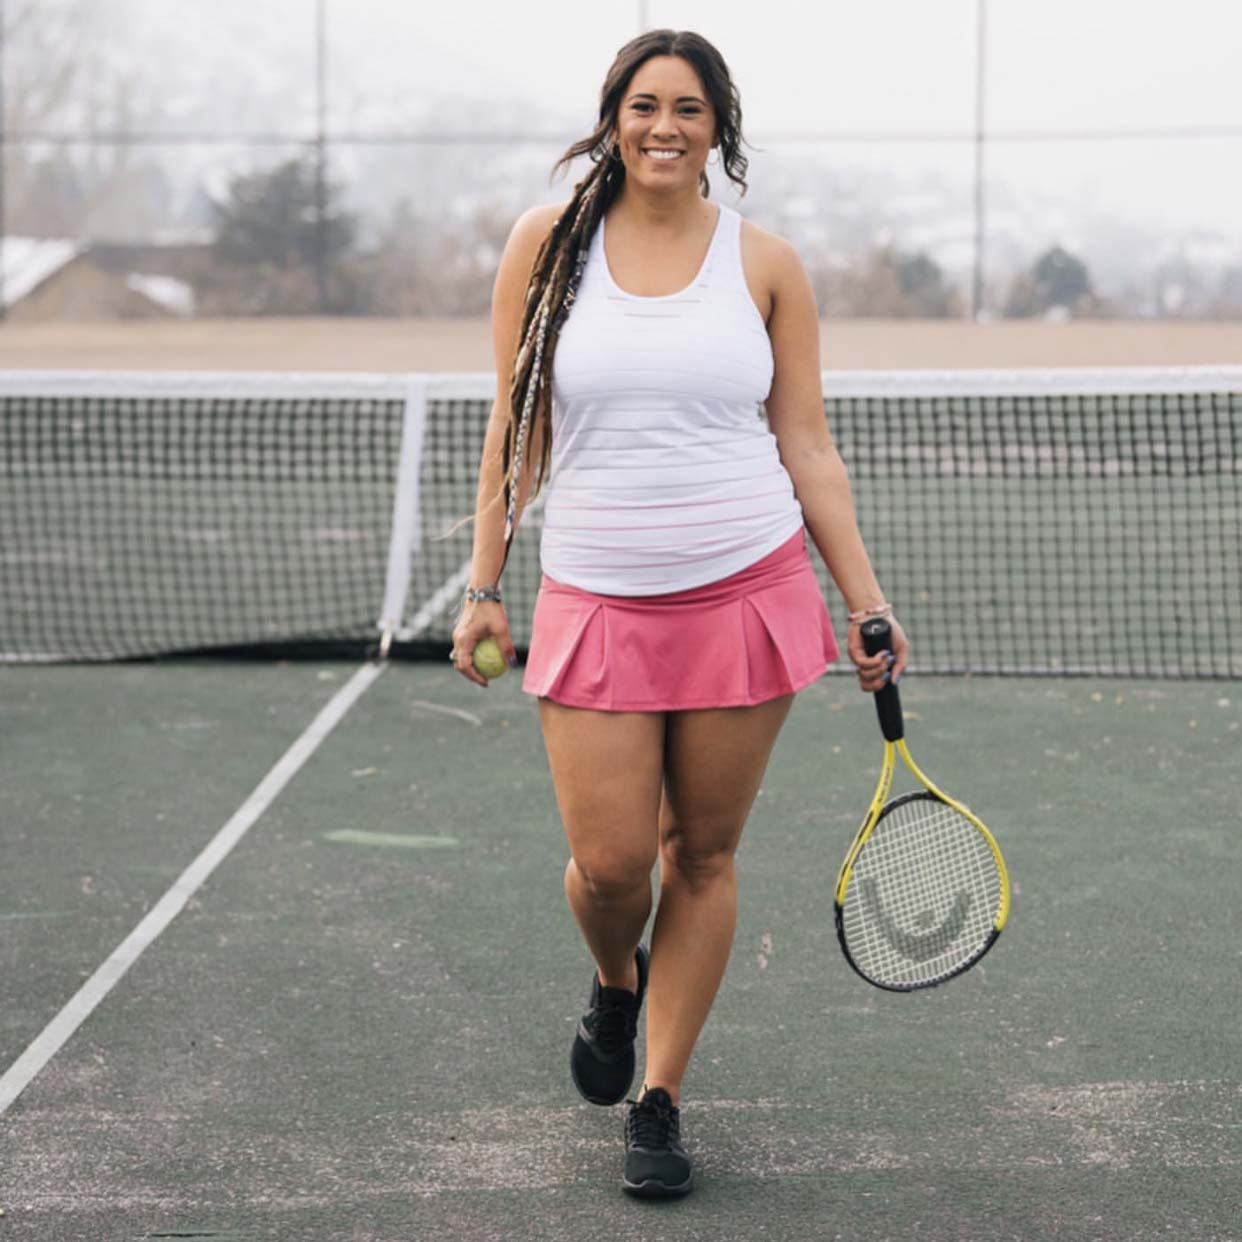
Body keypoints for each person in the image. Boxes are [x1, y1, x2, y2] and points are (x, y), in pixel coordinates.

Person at [450, 28, 909, 1199]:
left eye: (689, 109)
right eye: (645, 105)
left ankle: (658, 1100)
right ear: (613, 117)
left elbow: (805, 442)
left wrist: (863, 601)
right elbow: (515, 429)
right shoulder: (545, 250)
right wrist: (486, 585)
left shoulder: (766, 265)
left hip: (747, 592)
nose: (665, 126)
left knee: (700, 855)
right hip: (596, 596)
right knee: (610, 869)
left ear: (720, 129)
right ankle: (615, 983)